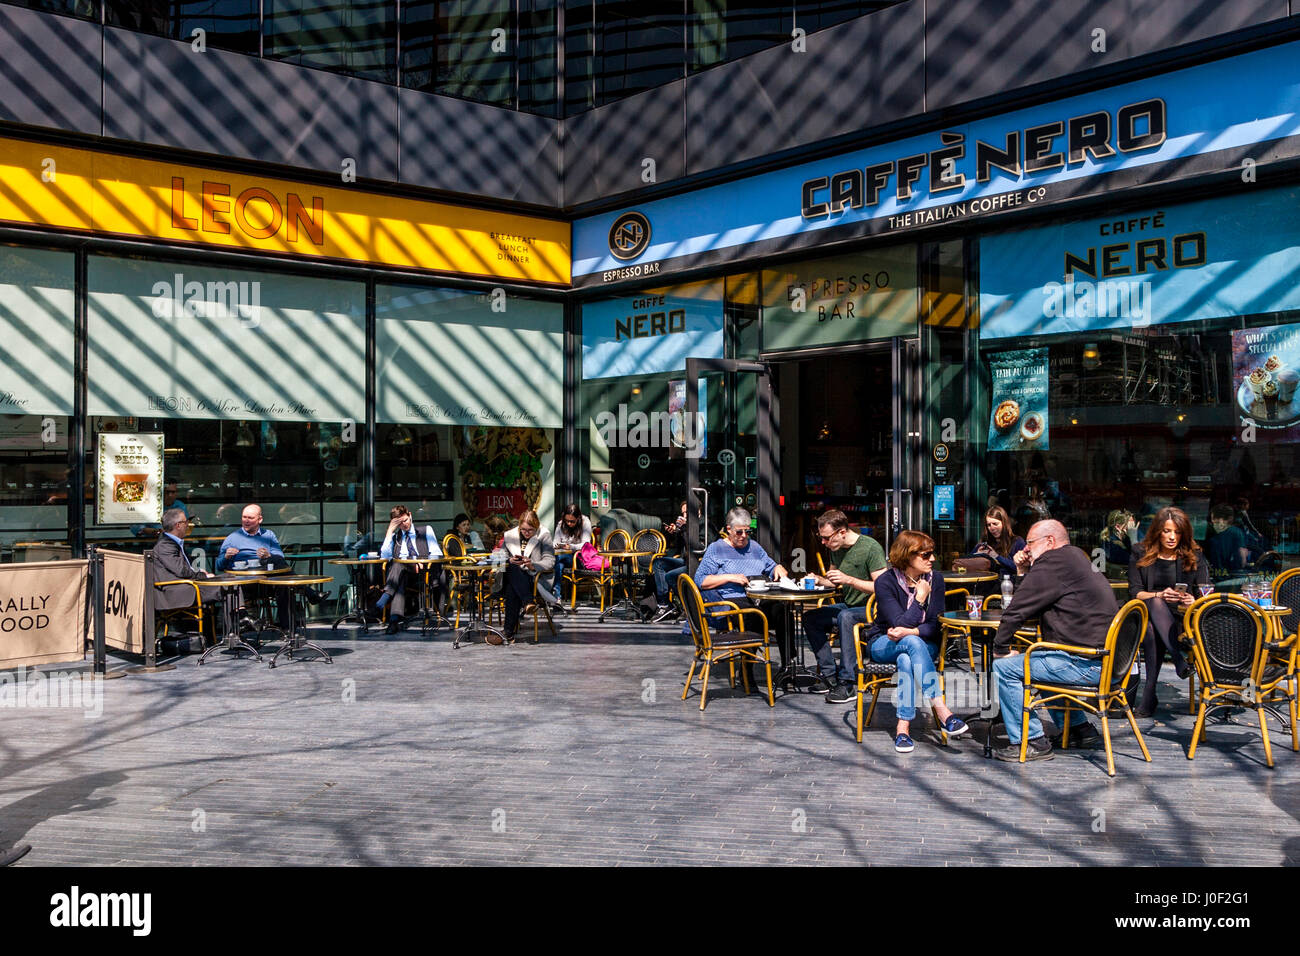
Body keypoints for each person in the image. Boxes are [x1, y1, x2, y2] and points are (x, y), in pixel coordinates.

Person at [828, 530, 968, 751]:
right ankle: (942, 711)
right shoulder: (886, 581)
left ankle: (903, 729)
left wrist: (910, 633)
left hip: (922, 643)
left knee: (907, 657)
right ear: (907, 556)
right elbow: (898, 622)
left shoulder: (937, 580)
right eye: (925, 555)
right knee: (910, 647)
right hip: (883, 642)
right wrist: (920, 599)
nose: (932, 559)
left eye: (932, 554)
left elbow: (935, 625)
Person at [990, 520, 1119, 761]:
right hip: (1103, 662)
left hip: (1087, 665)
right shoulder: (1075, 557)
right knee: (1043, 660)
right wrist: (1022, 572)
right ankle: (1079, 730)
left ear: (1049, 541)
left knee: (1004, 668)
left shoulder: (1053, 562)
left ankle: (1032, 742)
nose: (1025, 550)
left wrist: (1000, 649)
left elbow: (1016, 610)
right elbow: (1030, 601)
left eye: (1029, 544)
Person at [1128, 506, 1209, 717]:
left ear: (1184, 533)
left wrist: (1193, 600)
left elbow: (1205, 590)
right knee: (1152, 617)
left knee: (1151, 630)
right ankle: (1178, 660)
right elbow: (1135, 592)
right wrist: (1159, 596)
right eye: (1166, 531)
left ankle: (1149, 695)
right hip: (1148, 612)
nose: (1172, 537)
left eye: (1177, 532)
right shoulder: (1140, 551)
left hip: (1182, 617)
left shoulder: (1194, 554)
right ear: (1157, 531)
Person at [802, 510, 886, 695]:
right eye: (821, 537)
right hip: (849, 604)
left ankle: (847, 681)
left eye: (826, 538)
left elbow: (882, 588)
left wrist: (849, 580)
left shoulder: (870, 548)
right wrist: (818, 579)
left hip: (873, 609)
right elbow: (833, 581)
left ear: (842, 532)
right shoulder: (836, 549)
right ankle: (829, 675)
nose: (823, 542)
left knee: (846, 617)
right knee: (810, 618)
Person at [215, 503, 295, 630]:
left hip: (266, 581)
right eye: (244, 517)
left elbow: (280, 558)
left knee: (283, 583)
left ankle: (287, 629)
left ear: (260, 519)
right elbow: (218, 566)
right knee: (230, 583)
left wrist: (268, 555)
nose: (246, 521)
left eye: (250, 518)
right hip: (245, 584)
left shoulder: (268, 535)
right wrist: (226, 556)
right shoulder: (232, 538)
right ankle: (309, 592)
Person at [376, 505, 445, 635]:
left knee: (398, 566)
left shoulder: (425, 531)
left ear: (410, 515)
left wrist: (422, 560)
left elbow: (436, 554)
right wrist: (390, 530)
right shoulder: (396, 537)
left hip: (425, 572)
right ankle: (394, 620)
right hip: (405, 574)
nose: (404, 524)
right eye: (400, 523)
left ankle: (384, 604)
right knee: (398, 565)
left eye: (405, 520)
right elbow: (385, 556)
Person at [498, 509, 559, 641]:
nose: (526, 533)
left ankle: (507, 632)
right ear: (519, 527)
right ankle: (528, 602)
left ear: (536, 527)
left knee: (512, 588)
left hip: (534, 580)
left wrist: (533, 565)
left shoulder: (544, 535)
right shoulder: (510, 536)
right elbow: (499, 558)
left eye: (530, 530)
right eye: (523, 529)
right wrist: (509, 560)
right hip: (516, 580)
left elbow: (550, 561)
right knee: (513, 567)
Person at [152, 507, 215, 613]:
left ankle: (240, 617)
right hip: (177, 592)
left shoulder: (174, 542)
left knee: (228, 580)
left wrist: (199, 572)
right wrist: (203, 576)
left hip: (186, 586)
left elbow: (184, 568)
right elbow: (181, 570)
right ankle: (239, 621)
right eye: (186, 522)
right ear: (178, 525)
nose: (188, 525)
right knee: (228, 587)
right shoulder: (165, 545)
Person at [646, 501, 689, 624]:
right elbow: (680, 546)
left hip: (697, 562)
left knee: (671, 575)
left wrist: (684, 529)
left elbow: (697, 546)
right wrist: (676, 532)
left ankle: (686, 607)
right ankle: (664, 604)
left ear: (697, 511)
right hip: (684, 560)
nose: (684, 515)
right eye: (683, 513)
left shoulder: (703, 525)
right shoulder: (687, 526)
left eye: (686, 513)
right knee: (658, 562)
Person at [957, 505, 1024, 575]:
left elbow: (1021, 568)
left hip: (1007, 583)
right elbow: (965, 564)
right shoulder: (985, 543)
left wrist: (996, 556)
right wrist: (976, 554)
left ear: (1004, 523)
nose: (992, 528)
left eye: (995, 524)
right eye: (989, 525)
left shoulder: (1017, 541)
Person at [551, 503, 594, 602]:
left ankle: (550, 592)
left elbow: (586, 544)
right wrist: (558, 545)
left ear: (578, 518)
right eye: (567, 521)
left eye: (572, 521)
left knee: (557, 559)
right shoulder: (561, 524)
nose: (569, 524)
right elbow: (555, 542)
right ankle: (557, 597)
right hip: (563, 557)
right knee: (559, 565)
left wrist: (571, 546)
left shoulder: (585, 522)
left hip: (578, 559)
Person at [1205, 504, 1250, 574]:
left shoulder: (1213, 539)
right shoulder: (1237, 532)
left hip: (1221, 576)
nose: (1213, 524)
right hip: (1232, 575)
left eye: (1215, 521)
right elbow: (1242, 559)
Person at [1099, 508, 1139, 573]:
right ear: (1118, 527)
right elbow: (1139, 562)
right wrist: (1133, 540)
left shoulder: (1125, 541)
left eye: (1133, 525)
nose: (1133, 529)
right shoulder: (1112, 546)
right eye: (1129, 526)